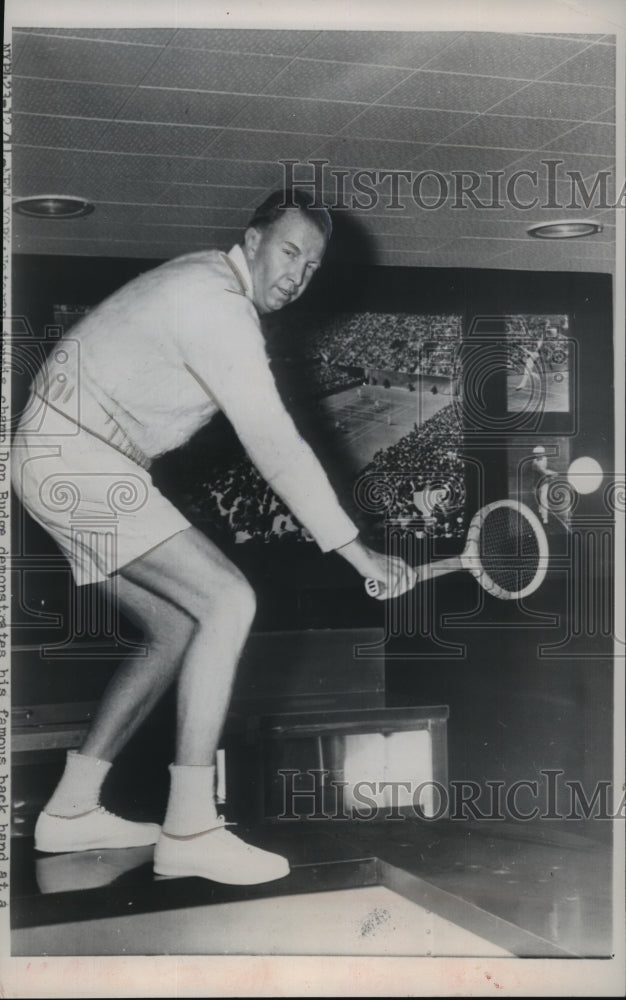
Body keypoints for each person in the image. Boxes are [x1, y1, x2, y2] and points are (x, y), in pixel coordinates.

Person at [11, 190, 416, 886]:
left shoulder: (204, 278)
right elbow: (274, 444)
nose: (298, 274)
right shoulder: (216, 304)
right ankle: (192, 826)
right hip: (75, 458)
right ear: (252, 240)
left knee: (173, 628)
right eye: (290, 252)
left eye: (313, 266)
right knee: (228, 601)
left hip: (57, 457)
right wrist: (357, 552)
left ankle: (72, 807)